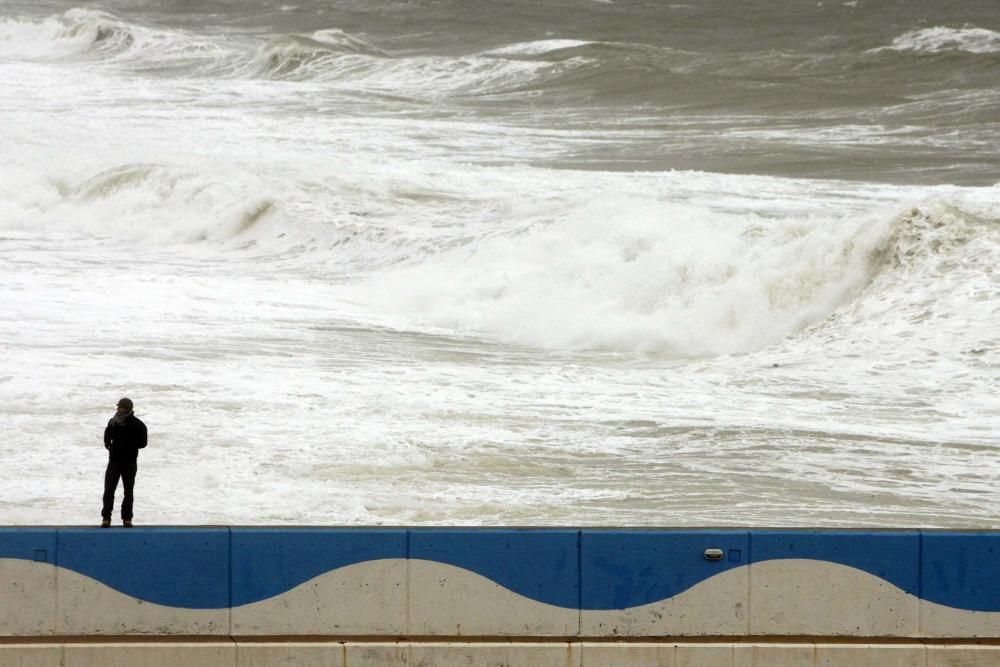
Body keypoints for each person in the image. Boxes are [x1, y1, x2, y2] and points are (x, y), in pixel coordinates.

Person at [101, 397, 147, 528]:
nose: (117, 409)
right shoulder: (113, 422)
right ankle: (106, 518)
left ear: (127, 409)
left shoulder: (138, 424)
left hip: (129, 462)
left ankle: (127, 518)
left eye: (120, 407)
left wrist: (129, 446)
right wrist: (108, 444)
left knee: (128, 491)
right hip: (114, 461)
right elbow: (107, 436)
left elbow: (143, 443)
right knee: (109, 490)